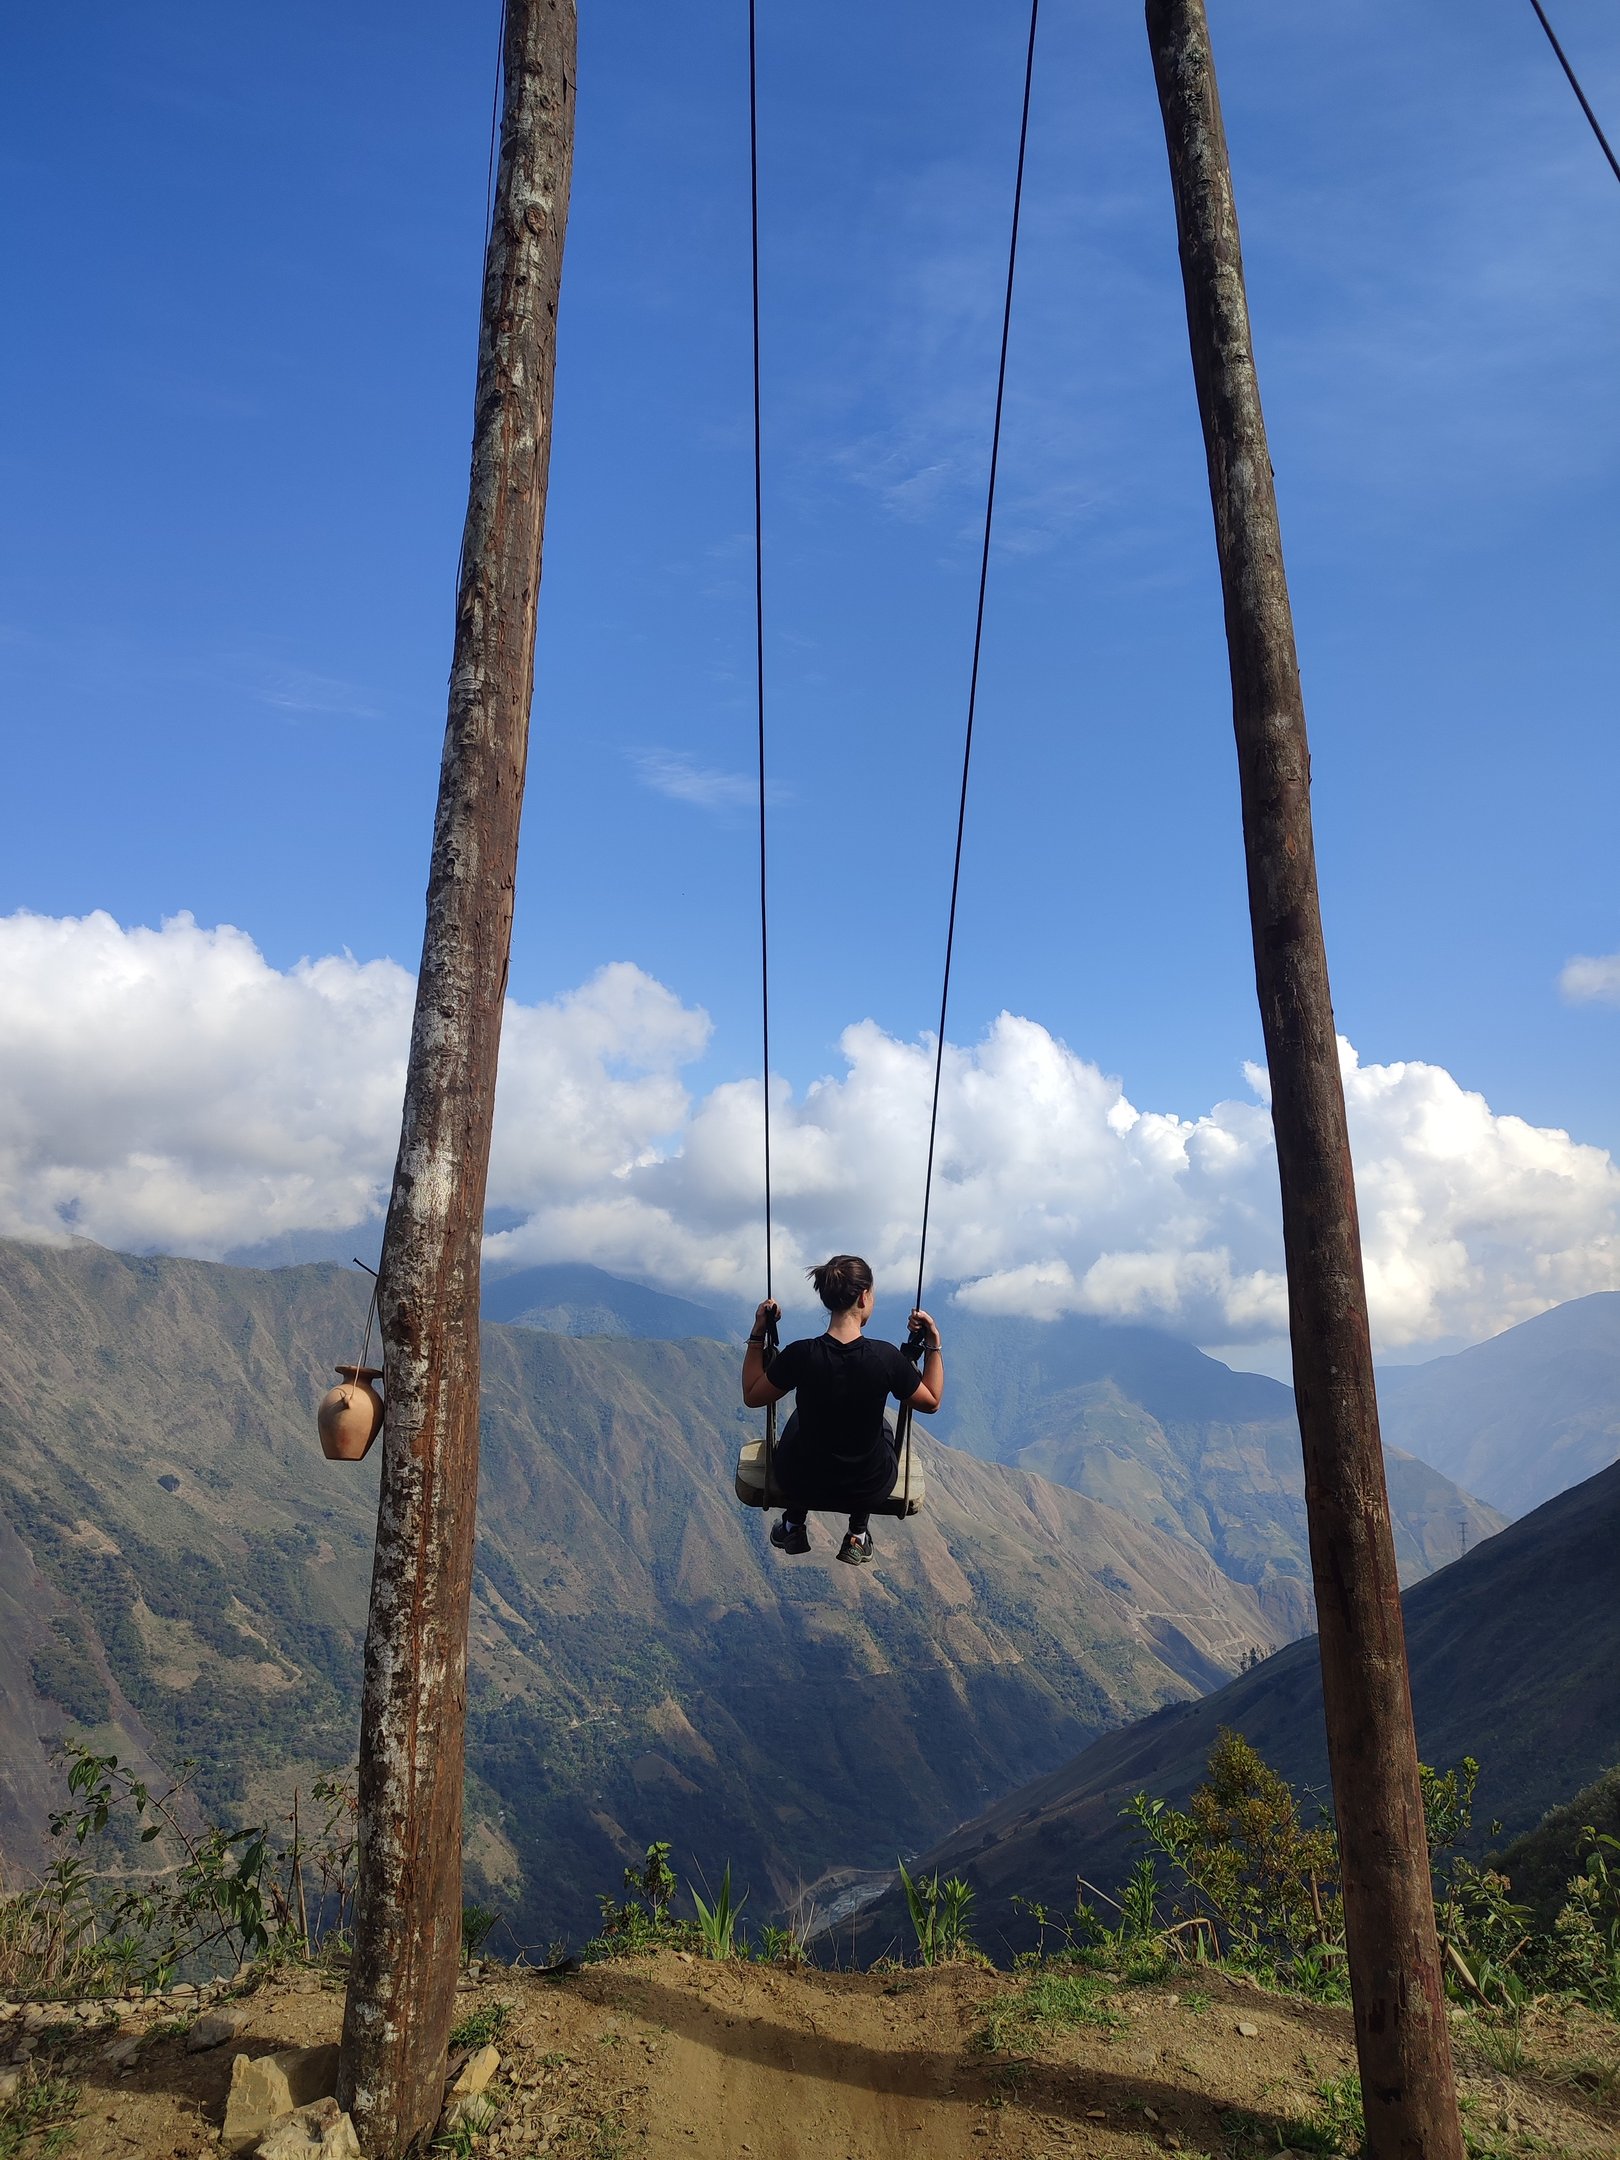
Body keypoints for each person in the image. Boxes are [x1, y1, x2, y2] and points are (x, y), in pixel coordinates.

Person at [741, 1254, 943, 1565]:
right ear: (864, 1297)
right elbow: (931, 1401)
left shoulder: (801, 1355)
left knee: (800, 1421)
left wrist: (758, 1333)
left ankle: (794, 1523)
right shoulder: (886, 1359)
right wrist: (932, 1342)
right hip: (870, 1486)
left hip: (800, 1481)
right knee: (881, 1429)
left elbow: (753, 1395)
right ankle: (857, 1535)